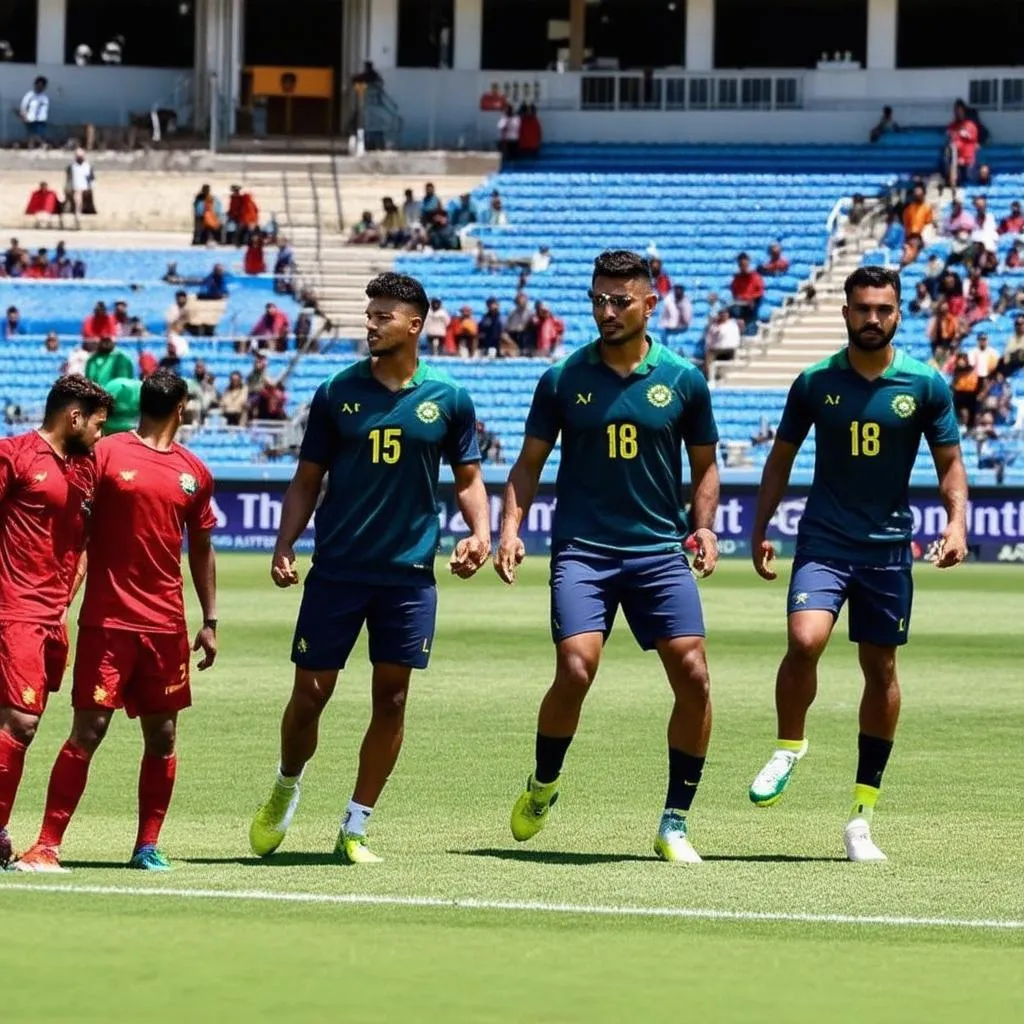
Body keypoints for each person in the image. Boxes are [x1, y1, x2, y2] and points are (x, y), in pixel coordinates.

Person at [249, 273, 490, 864]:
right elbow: (307, 480)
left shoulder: (451, 399)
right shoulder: (335, 393)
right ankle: (286, 784)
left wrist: (481, 533)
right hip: (337, 570)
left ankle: (354, 826)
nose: (371, 323)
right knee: (310, 695)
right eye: (369, 314)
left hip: (408, 577)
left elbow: (468, 481)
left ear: (414, 325)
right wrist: (285, 543)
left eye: (383, 316)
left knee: (394, 699)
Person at [494, 250, 721, 863]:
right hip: (585, 552)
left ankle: (674, 821)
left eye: (620, 300)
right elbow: (528, 466)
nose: (607, 311)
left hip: (657, 552)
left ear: (651, 303)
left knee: (695, 675)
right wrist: (509, 530)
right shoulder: (564, 379)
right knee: (575, 669)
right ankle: (544, 782)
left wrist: (704, 528)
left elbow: (705, 469)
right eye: (598, 299)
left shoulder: (684, 380)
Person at [748, 266, 968, 862]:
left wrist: (956, 522)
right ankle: (790, 744)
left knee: (881, 668)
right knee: (805, 639)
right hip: (824, 540)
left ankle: (861, 817)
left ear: (899, 314)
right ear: (845, 312)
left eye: (884, 310)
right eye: (862, 308)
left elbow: (950, 465)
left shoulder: (925, 385)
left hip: (889, 549)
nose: (873, 318)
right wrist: (761, 527)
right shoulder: (815, 382)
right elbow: (780, 460)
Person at [13, 372, 218, 873]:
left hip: (166, 625)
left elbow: (202, 550)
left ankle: (147, 846)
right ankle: (46, 844)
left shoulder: (195, 471)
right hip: (108, 622)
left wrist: (209, 618)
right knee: (89, 730)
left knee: (164, 736)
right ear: (183, 407)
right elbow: (70, 526)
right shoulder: (104, 455)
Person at [0, 375, 113, 868]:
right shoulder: (15, 455)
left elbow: (86, 539)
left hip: (53, 619)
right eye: (97, 425)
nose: (100, 435)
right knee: (20, 723)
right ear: (74, 417)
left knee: (19, 723)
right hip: (14, 611)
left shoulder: (86, 469)